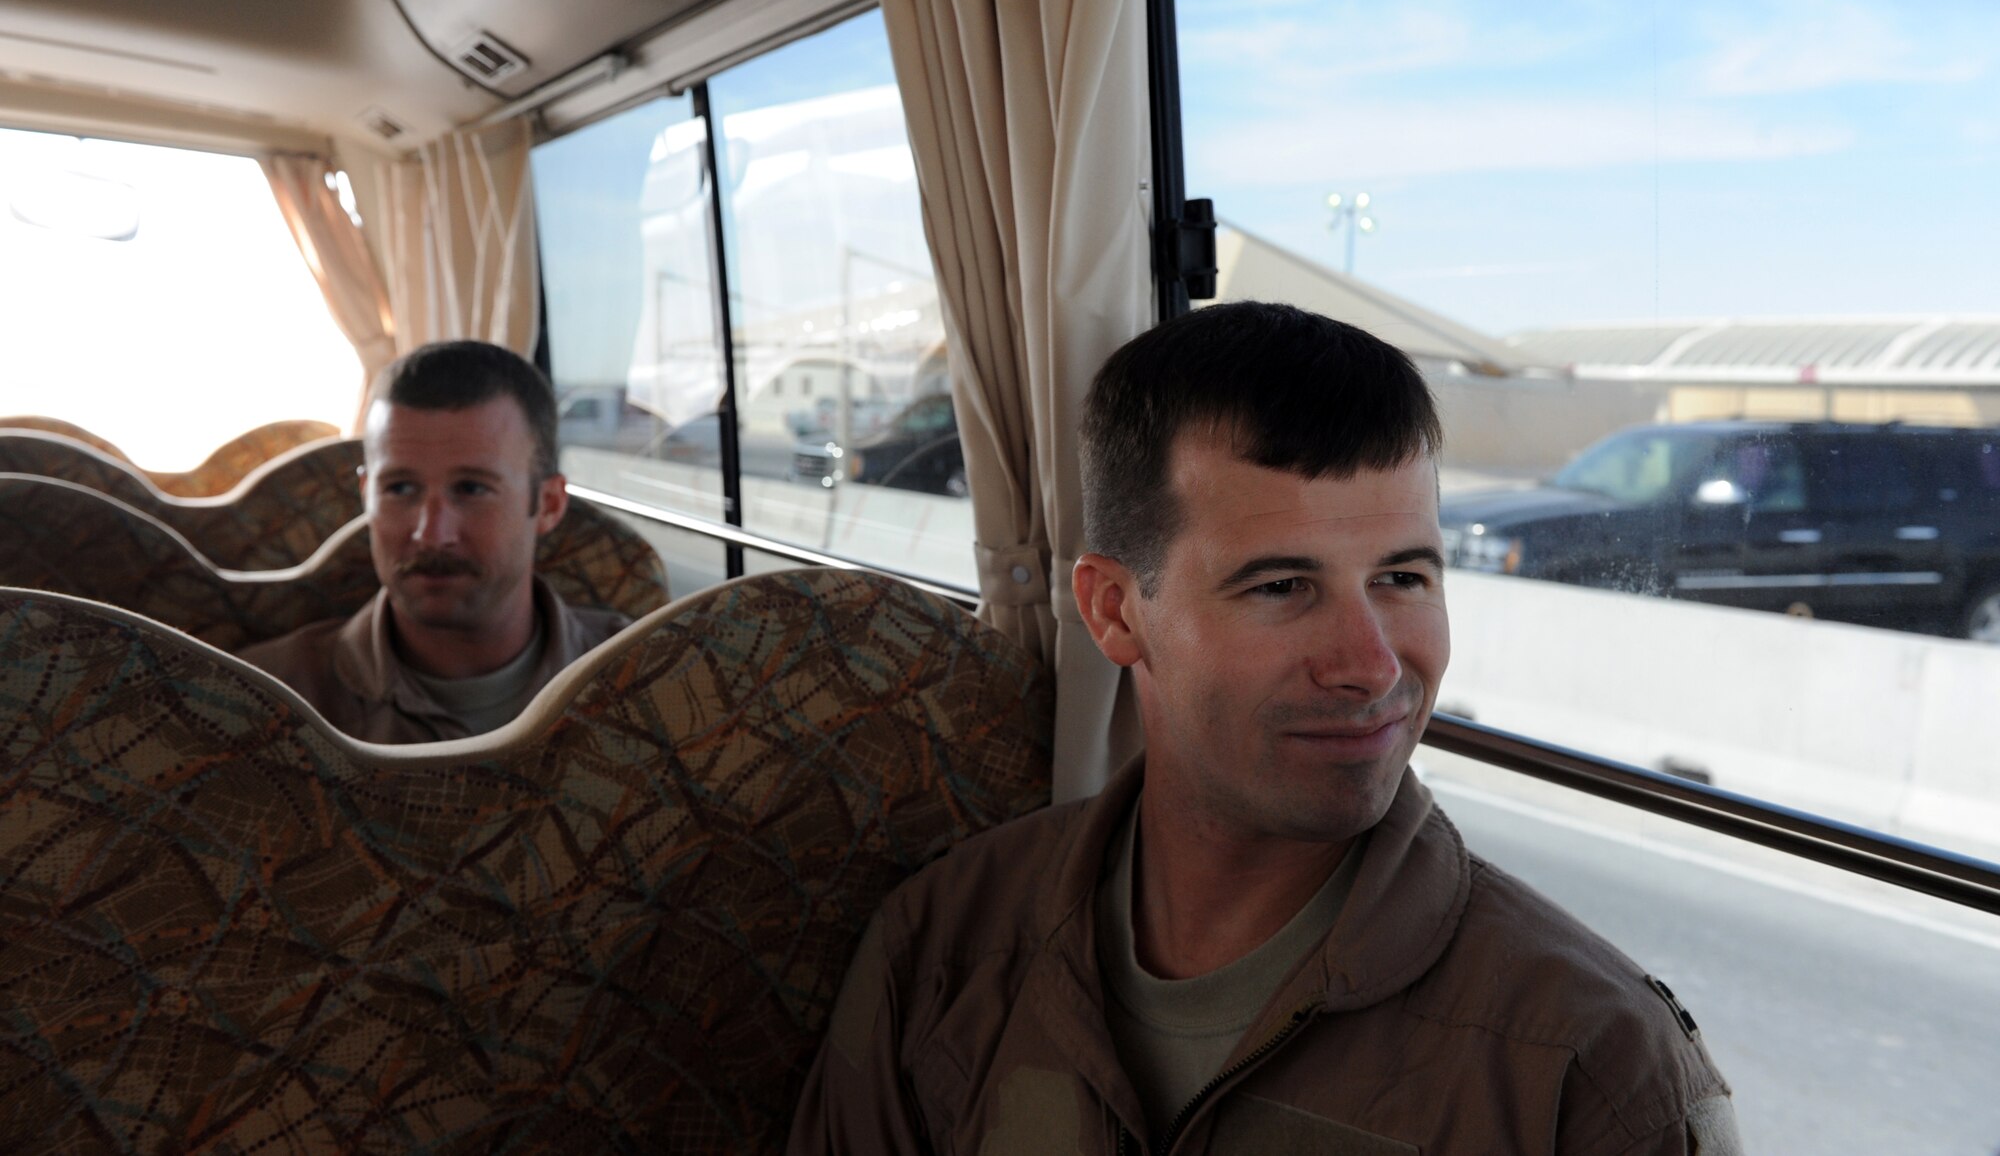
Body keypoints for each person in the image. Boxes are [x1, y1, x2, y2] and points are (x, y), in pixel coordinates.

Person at [787, 302, 1740, 1154]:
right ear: (1116, 611)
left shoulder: (1595, 1071)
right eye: (1283, 586)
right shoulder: (945, 948)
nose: (1370, 664)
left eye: (1403, 578)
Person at [242, 340, 628, 743]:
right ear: (366, 496)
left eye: (472, 489)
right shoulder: (260, 702)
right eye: (400, 488)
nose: (431, 534)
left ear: (548, 504)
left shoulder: (648, 680)